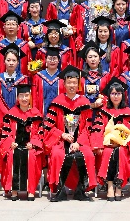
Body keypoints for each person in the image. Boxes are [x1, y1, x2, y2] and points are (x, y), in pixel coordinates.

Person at [44, 66, 97, 201]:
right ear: (64, 84)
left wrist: (78, 142)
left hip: (80, 142)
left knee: (88, 155)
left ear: (78, 84)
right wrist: (62, 134)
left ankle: (81, 190)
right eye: (69, 82)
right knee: (57, 154)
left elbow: (88, 127)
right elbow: (49, 125)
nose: (72, 85)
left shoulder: (84, 102)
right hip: (61, 141)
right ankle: (60, 190)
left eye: (74, 82)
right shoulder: (57, 102)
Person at [89, 78, 130, 201]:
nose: (116, 96)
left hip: (123, 146)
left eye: (118, 93)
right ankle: (110, 185)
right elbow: (97, 130)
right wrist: (99, 145)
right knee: (107, 152)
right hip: (106, 145)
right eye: (113, 93)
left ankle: (119, 186)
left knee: (120, 152)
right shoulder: (103, 112)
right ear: (109, 95)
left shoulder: (127, 111)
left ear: (123, 95)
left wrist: (121, 142)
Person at [0, 82, 44, 201]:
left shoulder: (36, 115)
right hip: (15, 146)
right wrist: (10, 142)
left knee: (32, 155)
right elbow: (5, 133)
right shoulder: (11, 114)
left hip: (30, 147)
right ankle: (14, 190)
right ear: (17, 98)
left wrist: (33, 143)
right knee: (11, 155)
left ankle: (31, 190)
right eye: (21, 96)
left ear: (30, 97)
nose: (24, 99)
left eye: (26, 95)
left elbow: (40, 134)